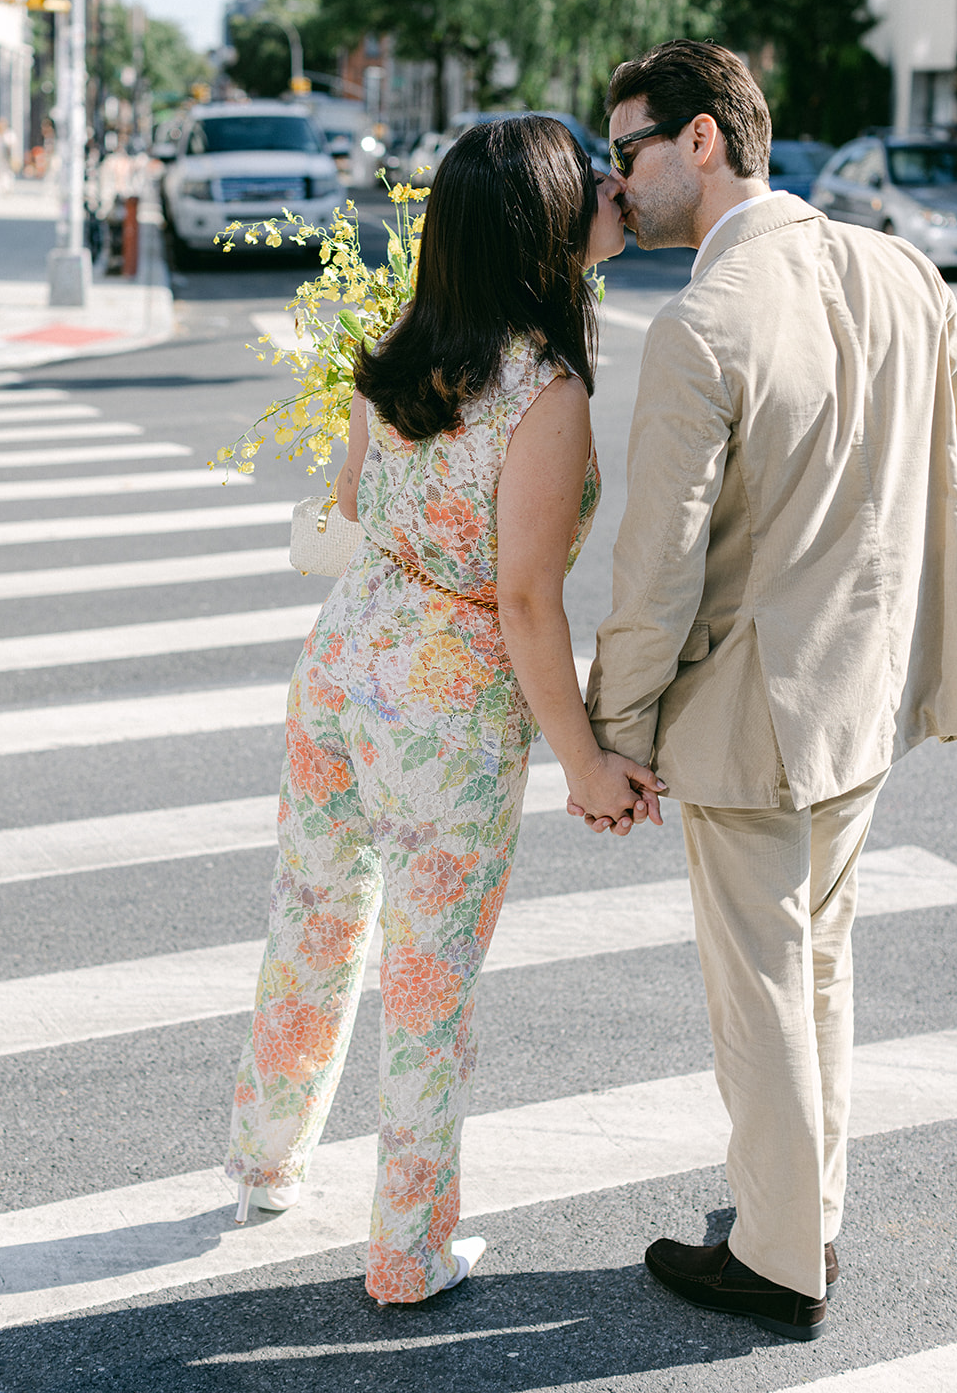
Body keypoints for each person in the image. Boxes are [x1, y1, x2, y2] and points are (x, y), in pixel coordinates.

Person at [226, 116, 663, 1305]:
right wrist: (582, 762)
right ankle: (407, 1256)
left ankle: (267, 1158)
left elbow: (353, 507)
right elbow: (524, 597)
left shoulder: (388, 351)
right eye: (595, 184)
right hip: (448, 714)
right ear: (543, 224)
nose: (615, 192)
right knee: (426, 983)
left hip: (340, 668)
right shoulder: (544, 388)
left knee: (312, 917)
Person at [576, 40, 957, 1340]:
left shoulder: (702, 321)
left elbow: (656, 568)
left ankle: (776, 1261)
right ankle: (804, 1219)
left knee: (758, 995)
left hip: (750, 715)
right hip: (866, 699)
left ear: (700, 140)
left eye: (624, 146)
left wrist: (610, 735)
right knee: (816, 973)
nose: (613, 179)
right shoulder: (902, 271)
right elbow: (944, 487)